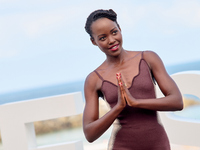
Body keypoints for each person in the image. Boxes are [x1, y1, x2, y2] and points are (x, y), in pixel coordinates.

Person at [83, 9, 183, 150]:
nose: (111, 40)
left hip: (158, 144)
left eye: (114, 32)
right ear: (94, 41)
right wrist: (118, 107)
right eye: (102, 38)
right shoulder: (93, 80)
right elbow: (89, 133)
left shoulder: (148, 59)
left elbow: (177, 101)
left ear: (120, 29)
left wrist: (136, 102)